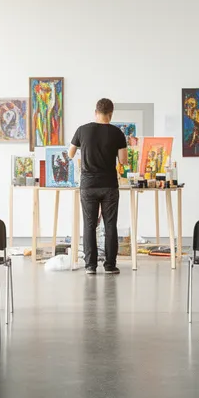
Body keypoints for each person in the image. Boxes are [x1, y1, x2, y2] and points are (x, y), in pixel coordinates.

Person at [69, 98, 128, 275]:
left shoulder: (82, 130)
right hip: (109, 185)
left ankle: (90, 266)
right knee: (110, 225)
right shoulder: (117, 133)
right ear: (111, 114)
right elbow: (123, 161)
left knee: (89, 225)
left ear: (96, 112)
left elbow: (70, 153)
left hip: (88, 185)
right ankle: (110, 265)